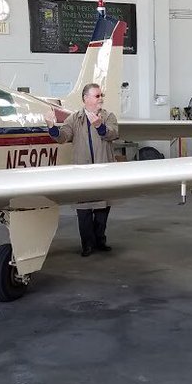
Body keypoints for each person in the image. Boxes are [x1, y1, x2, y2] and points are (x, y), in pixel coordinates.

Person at [44, 83, 120, 256]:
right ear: (86, 99)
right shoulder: (74, 119)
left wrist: (100, 126)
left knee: (102, 210)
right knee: (84, 212)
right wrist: (51, 127)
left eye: (101, 95)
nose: (100, 98)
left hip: (103, 170)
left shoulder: (108, 116)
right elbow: (62, 138)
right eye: (97, 96)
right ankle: (87, 244)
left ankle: (100, 240)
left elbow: (113, 133)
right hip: (82, 172)